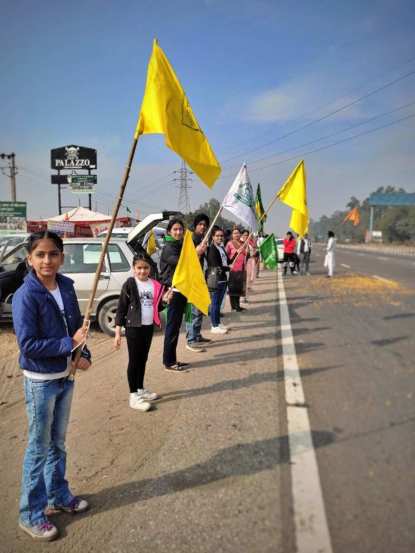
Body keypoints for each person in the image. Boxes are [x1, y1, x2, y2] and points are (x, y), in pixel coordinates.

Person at [12, 231, 91, 542]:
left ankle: (58, 494)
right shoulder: (26, 295)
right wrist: (67, 345)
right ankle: (30, 513)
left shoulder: (67, 287)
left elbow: (77, 330)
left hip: (65, 376)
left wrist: (82, 354)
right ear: (30, 259)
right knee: (39, 447)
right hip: (40, 382)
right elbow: (29, 345)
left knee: (58, 443)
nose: (47, 260)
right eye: (40, 255)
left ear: (62, 256)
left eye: (53, 254)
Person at [114, 253, 165, 411]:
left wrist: (165, 301)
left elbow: (157, 307)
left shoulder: (154, 285)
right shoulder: (130, 284)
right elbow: (121, 309)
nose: (142, 271)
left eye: (146, 268)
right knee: (134, 360)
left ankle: (141, 389)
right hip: (133, 328)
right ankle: (133, 395)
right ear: (134, 268)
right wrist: (117, 333)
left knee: (143, 359)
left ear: (150, 268)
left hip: (148, 327)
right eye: (139, 268)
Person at [159, 218, 190, 372]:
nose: (178, 232)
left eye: (180, 229)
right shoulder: (169, 248)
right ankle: (169, 362)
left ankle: (172, 359)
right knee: (172, 327)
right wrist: (194, 253)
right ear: (169, 231)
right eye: (175, 229)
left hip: (181, 290)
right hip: (173, 292)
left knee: (176, 327)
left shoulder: (180, 245)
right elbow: (179, 262)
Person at [185, 213, 211, 353]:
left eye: (205, 225)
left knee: (200, 308)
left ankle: (197, 335)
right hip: (192, 280)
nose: (202, 227)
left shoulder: (203, 239)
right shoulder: (190, 239)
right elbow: (187, 260)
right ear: (195, 225)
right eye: (200, 224)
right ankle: (190, 339)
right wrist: (197, 252)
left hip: (201, 278)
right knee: (192, 311)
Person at [206, 226, 230, 334]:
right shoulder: (212, 249)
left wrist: (236, 253)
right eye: (217, 236)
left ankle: (218, 323)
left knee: (219, 303)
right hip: (215, 279)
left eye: (221, 236)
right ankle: (214, 325)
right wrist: (229, 268)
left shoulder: (221, 248)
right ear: (213, 237)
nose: (220, 238)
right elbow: (216, 265)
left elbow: (228, 261)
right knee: (215, 303)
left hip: (223, 279)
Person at [225, 227, 248, 312]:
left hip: (241, 268)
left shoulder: (243, 243)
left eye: (238, 233)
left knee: (239, 288)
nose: (236, 234)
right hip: (233, 269)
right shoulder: (229, 244)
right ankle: (233, 307)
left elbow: (247, 254)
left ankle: (238, 305)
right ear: (232, 235)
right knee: (232, 288)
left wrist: (244, 250)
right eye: (234, 233)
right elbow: (226, 255)